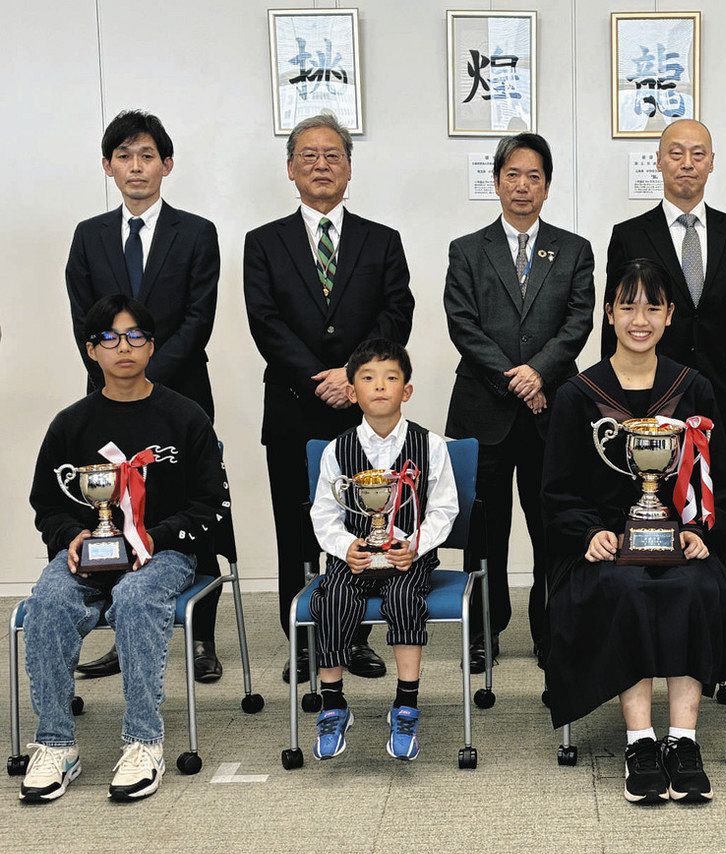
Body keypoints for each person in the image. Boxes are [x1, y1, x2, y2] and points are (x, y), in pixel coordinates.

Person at [542, 259, 726, 804]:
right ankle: (640, 742)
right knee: (625, 587)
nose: (640, 319)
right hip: (606, 546)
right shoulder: (578, 394)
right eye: (628, 306)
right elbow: (556, 491)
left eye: (653, 307)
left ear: (670, 315)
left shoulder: (693, 388)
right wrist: (588, 533)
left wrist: (701, 530)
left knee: (695, 586)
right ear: (609, 313)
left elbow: (719, 478)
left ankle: (683, 740)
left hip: (677, 536)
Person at [21, 295, 227, 803]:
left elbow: (211, 503)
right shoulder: (70, 423)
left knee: (136, 597)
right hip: (88, 551)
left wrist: (157, 536)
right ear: (91, 350)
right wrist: (71, 536)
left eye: (135, 336)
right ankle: (55, 744)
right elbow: (46, 503)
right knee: (49, 600)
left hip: (164, 553)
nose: (124, 347)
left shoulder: (186, 416)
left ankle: (143, 742)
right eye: (109, 338)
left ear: (152, 346)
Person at [244, 114, 416, 683]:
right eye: (309, 156)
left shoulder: (381, 240)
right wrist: (319, 377)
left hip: (366, 411)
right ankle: (302, 642)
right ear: (290, 169)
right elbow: (265, 321)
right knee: (295, 530)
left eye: (332, 155)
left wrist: (351, 375)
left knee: (365, 524)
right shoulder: (263, 242)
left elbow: (397, 312)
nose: (321, 165)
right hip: (292, 406)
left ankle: (354, 637)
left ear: (349, 167)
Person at [66, 110, 223, 682]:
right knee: (114, 512)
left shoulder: (197, 232)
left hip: (183, 396)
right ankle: (121, 633)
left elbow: (199, 318)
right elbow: (85, 320)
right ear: (108, 167)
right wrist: (118, 373)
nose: (136, 166)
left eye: (148, 156)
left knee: (195, 511)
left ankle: (202, 639)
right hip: (108, 401)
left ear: (167, 165)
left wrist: (148, 376)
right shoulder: (89, 236)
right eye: (124, 156)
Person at [443, 132, 594, 673]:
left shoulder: (574, 249)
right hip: (482, 410)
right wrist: (515, 378)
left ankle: (551, 629)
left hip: (551, 409)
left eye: (534, 176)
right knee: (485, 530)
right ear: (496, 182)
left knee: (552, 526)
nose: (523, 186)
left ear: (547, 186)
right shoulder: (467, 249)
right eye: (512, 175)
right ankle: (484, 629)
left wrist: (539, 372)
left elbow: (578, 321)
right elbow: (462, 324)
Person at [600, 119, 726, 573]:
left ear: (712, 163)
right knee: (652, 493)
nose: (687, 163)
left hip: (724, 390)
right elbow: (615, 317)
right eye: (676, 153)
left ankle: (720, 595)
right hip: (652, 389)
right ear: (658, 161)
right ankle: (654, 593)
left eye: (698, 154)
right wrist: (611, 391)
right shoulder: (630, 233)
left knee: (719, 497)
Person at [306, 339, 458, 761]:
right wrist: (345, 547)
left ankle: (406, 703)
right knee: (332, 597)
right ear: (351, 391)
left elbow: (444, 509)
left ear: (406, 391)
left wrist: (414, 545)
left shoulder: (431, 445)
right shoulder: (337, 450)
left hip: (408, 553)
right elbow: (324, 513)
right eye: (368, 378)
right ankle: (333, 703)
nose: (379, 386)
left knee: (405, 596)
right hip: (354, 553)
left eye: (391, 378)